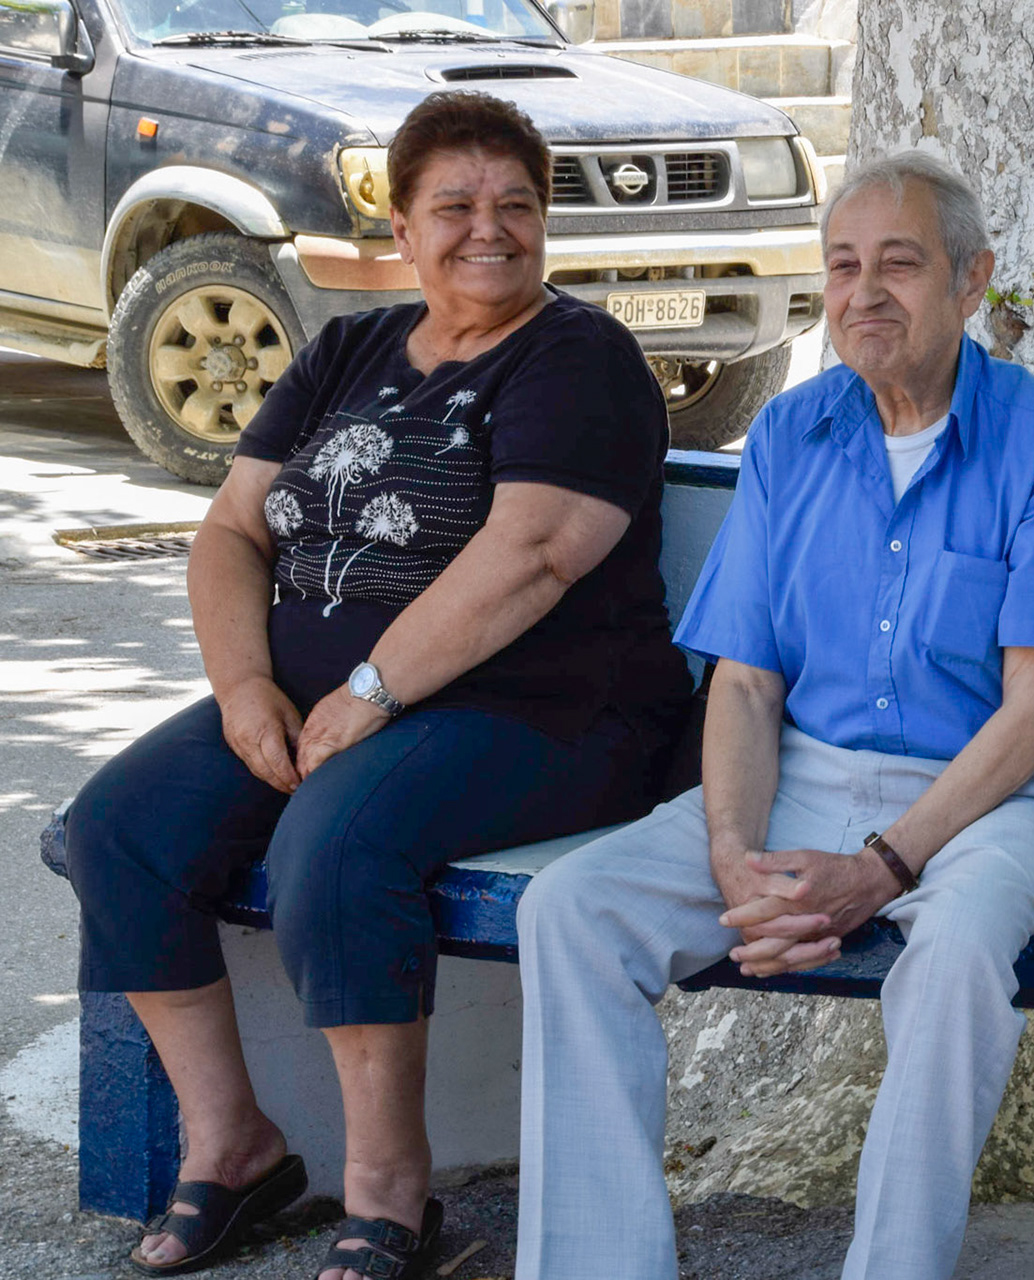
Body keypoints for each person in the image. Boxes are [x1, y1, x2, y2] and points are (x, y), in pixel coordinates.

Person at [62, 90, 691, 1280]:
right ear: (401, 226)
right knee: (119, 827)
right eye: (452, 205)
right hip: (328, 697)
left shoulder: (581, 358)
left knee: (338, 845)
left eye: (514, 204)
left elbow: (537, 553)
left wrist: (372, 688)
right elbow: (233, 530)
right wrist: (246, 688)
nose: (485, 228)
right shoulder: (352, 346)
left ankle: (391, 1190)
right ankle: (234, 1144)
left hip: (542, 709)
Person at [513, 150, 1034, 1280]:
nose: (864, 292)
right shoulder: (795, 434)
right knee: (572, 910)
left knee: (955, 951)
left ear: (972, 279)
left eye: (901, 263)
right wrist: (738, 858)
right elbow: (745, 683)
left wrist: (882, 867)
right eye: (843, 265)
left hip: (1000, 792)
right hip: (803, 775)